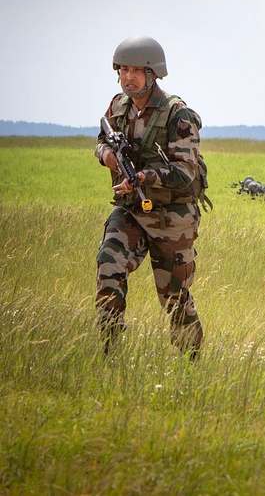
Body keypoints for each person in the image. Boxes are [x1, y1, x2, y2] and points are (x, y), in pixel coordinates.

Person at [94, 35, 207, 358]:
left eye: (136, 71)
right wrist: (107, 157)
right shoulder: (117, 107)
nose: (128, 77)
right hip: (129, 209)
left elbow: (184, 171)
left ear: (153, 74)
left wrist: (143, 176)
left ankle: (192, 361)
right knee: (108, 267)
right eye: (123, 70)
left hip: (172, 216)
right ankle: (109, 350)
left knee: (174, 295)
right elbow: (100, 141)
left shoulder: (178, 115)